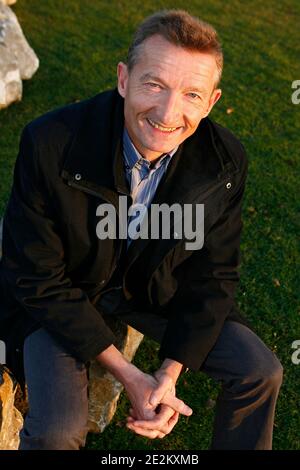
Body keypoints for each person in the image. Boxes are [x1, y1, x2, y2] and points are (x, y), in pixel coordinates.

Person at [0, 10, 283, 450]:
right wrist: (130, 375)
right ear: (123, 80)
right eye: (154, 84)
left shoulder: (225, 162)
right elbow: (36, 276)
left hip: (152, 292)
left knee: (260, 372)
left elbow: (214, 276)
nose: (169, 113)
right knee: (58, 432)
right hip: (64, 294)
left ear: (211, 102)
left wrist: (168, 372)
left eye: (192, 94)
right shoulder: (49, 141)